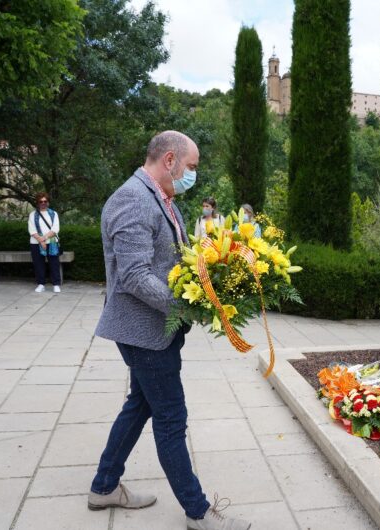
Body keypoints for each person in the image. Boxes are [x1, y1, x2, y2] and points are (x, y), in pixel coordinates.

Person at [91, 131, 251, 530]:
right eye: (191, 167)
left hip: (155, 329)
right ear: (169, 160)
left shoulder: (161, 198)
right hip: (143, 333)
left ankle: (104, 486)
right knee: (170, 419)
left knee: (140, 405)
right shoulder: (132, 199)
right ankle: (198, 513)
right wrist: (189, 305)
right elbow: (133, 275)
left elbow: (175, 256)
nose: (192, 175)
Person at [28, 192, 62, 293]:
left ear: (48, 202)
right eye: (41, 201)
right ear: (37, 203)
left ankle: (56, 284)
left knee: (54, 263)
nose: (43, 203)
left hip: (51, 242)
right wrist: (40, 240)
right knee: (39, 264)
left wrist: (44, 239)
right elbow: (32, 230)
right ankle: (41, 284)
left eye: (45, 201)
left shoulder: (53, 214)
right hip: (35, 243)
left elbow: (55, 229)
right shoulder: (32, 214)